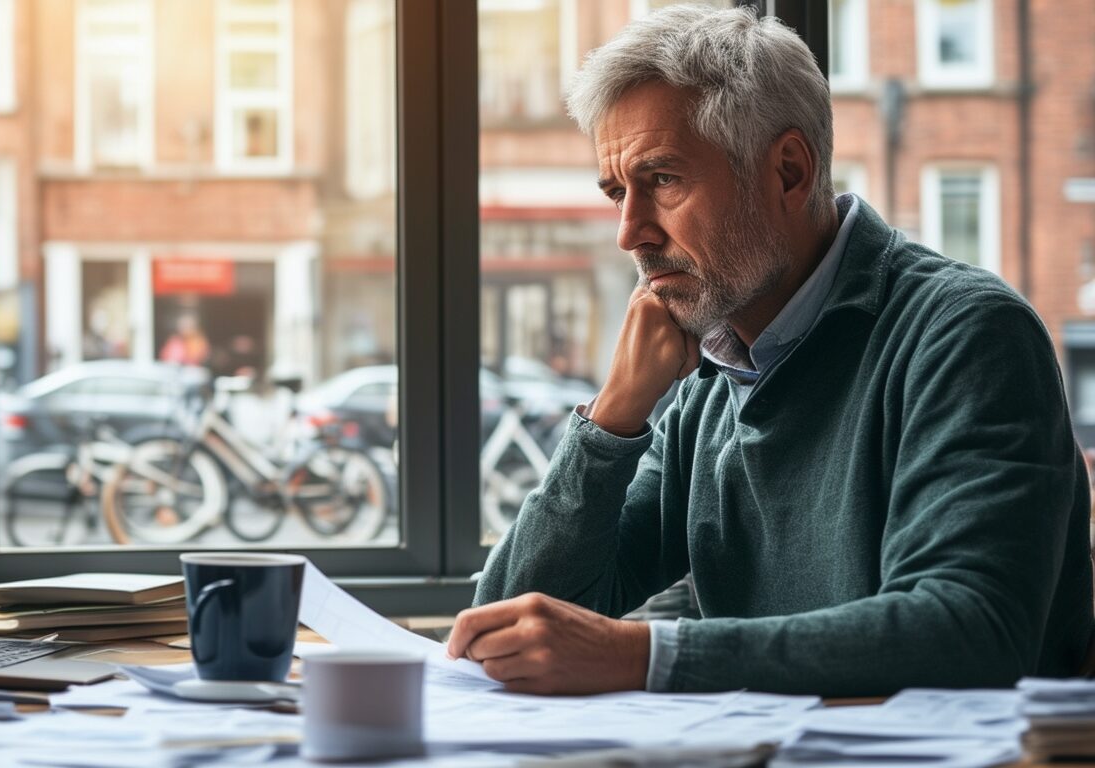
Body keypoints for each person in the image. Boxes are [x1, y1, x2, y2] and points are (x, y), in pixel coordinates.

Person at [446, 5, 1095, 698]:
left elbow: (970, 631)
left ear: (787, 171)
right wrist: (614, 418)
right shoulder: (707, 375)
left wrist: (643, 656)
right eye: (617, 193)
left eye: (663, 180)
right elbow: (506, 625)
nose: (629, 232)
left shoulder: (967, 336)